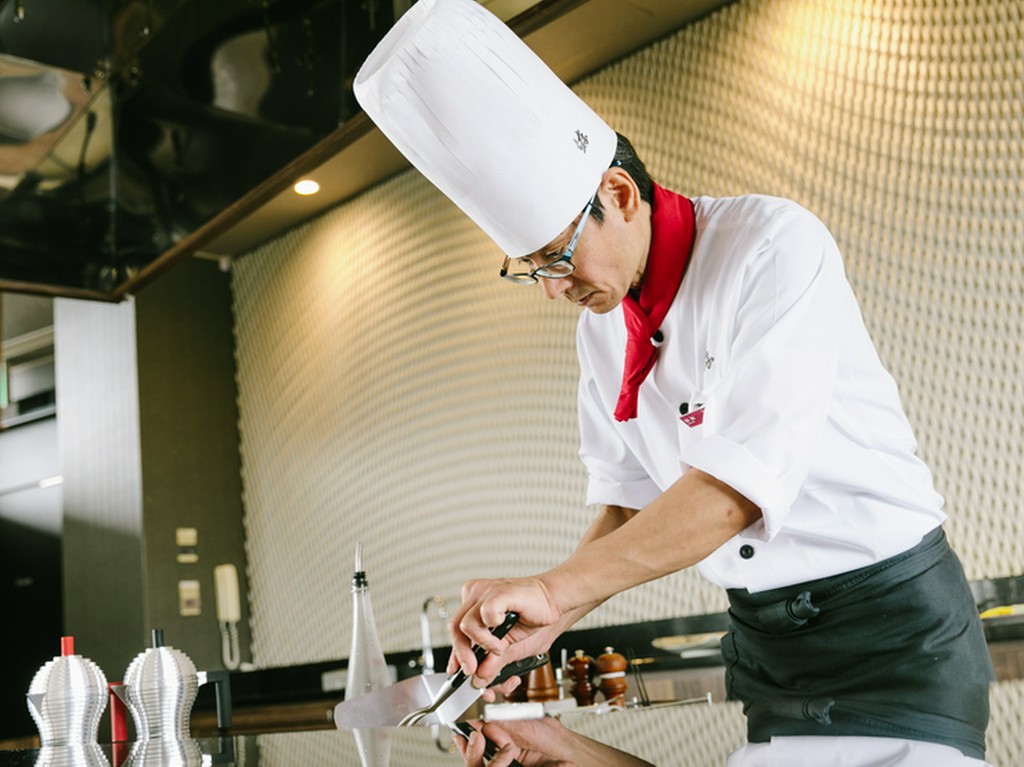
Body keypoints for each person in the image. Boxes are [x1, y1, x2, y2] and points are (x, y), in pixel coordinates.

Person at [353, 0, 995, 764]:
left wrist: (556, 590)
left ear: (620, 196)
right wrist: (554, 628)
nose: (554, 290)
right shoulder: (603, 327)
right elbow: (631, 505)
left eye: (556, 259)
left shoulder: (773, 247)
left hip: (896, 635)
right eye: (531, 273)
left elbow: (728, 493)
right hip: (767, 645)